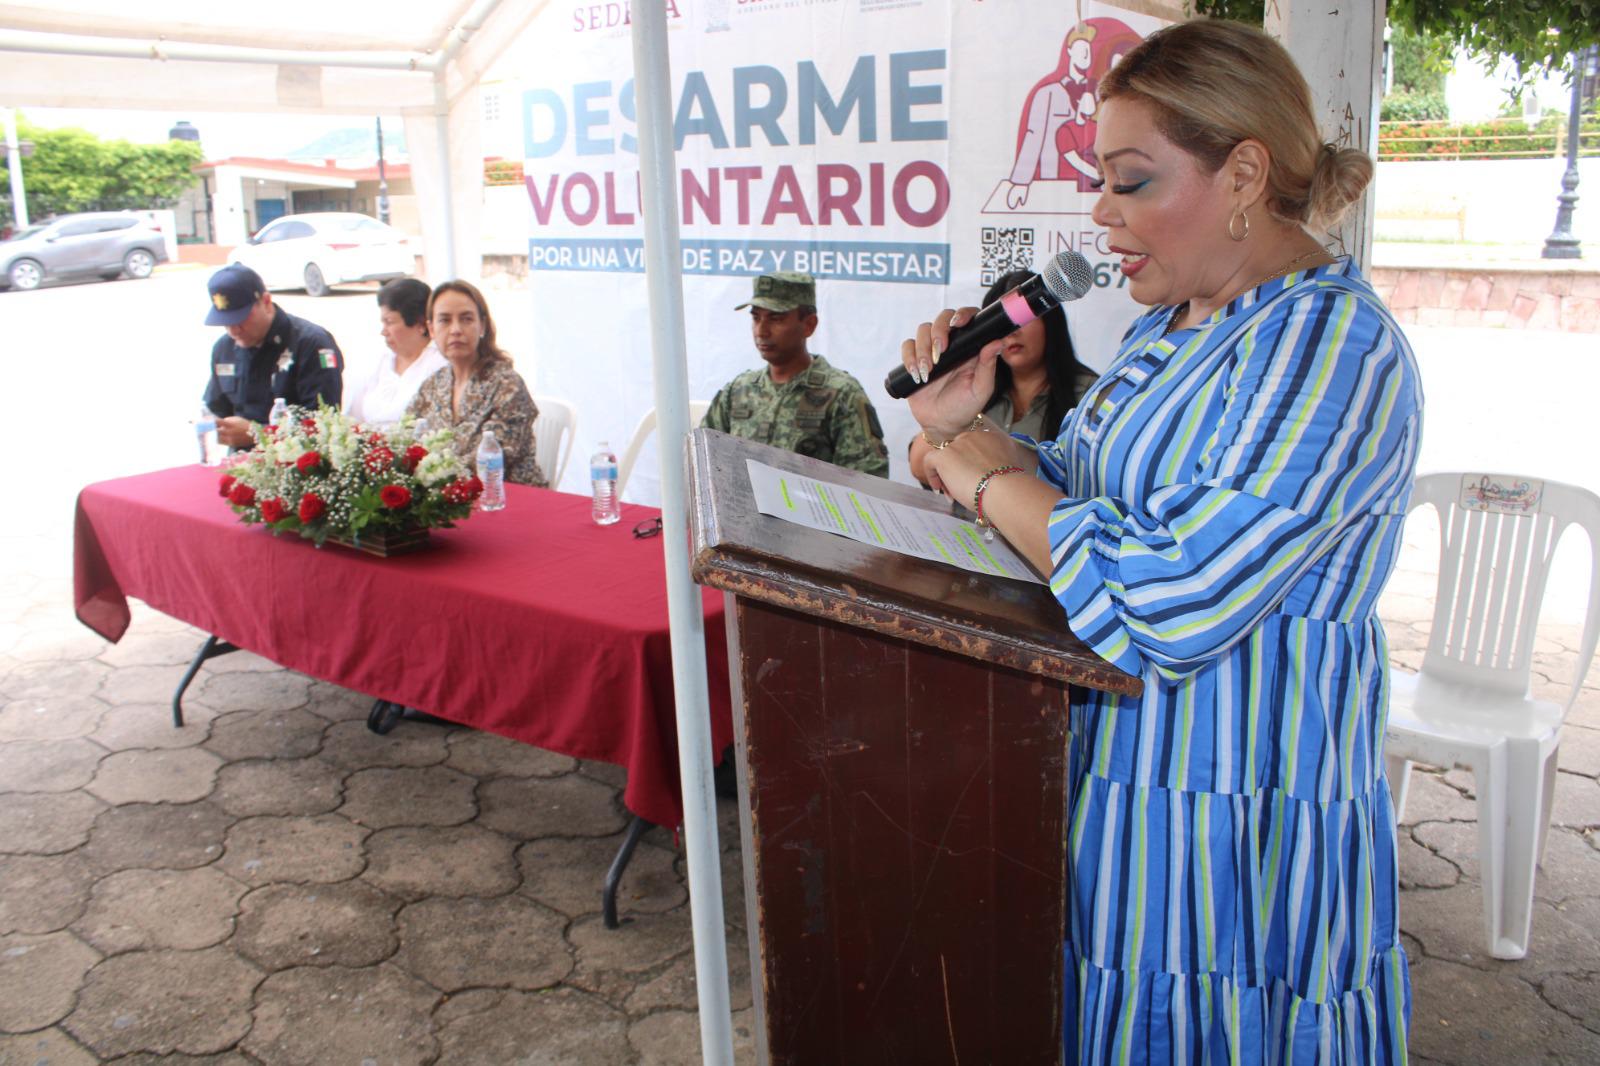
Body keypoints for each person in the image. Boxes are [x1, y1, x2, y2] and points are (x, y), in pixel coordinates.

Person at [901, 20, 1419, 1063]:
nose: (1098, 213)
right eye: (1101, 179)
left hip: (1238, 802)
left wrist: (977, 471)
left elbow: (1164, 589)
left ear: (1242, 174)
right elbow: (1089, 501)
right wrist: (963, 428)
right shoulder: (1173, 321)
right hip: (1124, 778)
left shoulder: (1329, 347)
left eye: (1129, 181)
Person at [906, 268, 1097, 487]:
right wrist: (937, 427)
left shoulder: (1093, 396)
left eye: (1022, 318)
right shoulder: (973, 388)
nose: (1012, 332)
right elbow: (920, 467)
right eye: (1003, 323)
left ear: (1051, 323)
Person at [703, 271, 889, 478]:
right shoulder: (738, 390)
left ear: (809, 325)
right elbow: (703, 459)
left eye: (776, 319)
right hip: (736, 508)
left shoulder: (841, 394)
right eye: (756, 318)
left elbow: (868, 480)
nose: (761, 331)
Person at [406, 279, 545, 487]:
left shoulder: (507, 384)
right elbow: (407, 438)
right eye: (445, 320)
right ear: (431, 329)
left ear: (482, 326)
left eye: (466, 319)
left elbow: (489, 460)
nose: (455, 330)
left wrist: (429, 474)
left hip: (505, 499)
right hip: (445, 498)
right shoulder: (432, 386)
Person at [202, 263, 344, 449]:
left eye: (240, 319)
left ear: (266, 302)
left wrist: (260, 434)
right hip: (241, 464)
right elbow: (214, 407)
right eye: (225, 322)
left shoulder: (310, 344)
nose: (234, 330)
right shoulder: (224, 348)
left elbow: (324, 422)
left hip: (294, 465)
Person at [344, 278, 447, 426]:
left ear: (420, 323)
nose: (383, 332)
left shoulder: (441, 365)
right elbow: (352, 418)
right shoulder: (377, 363)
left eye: (390, 322)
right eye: (383, 322)